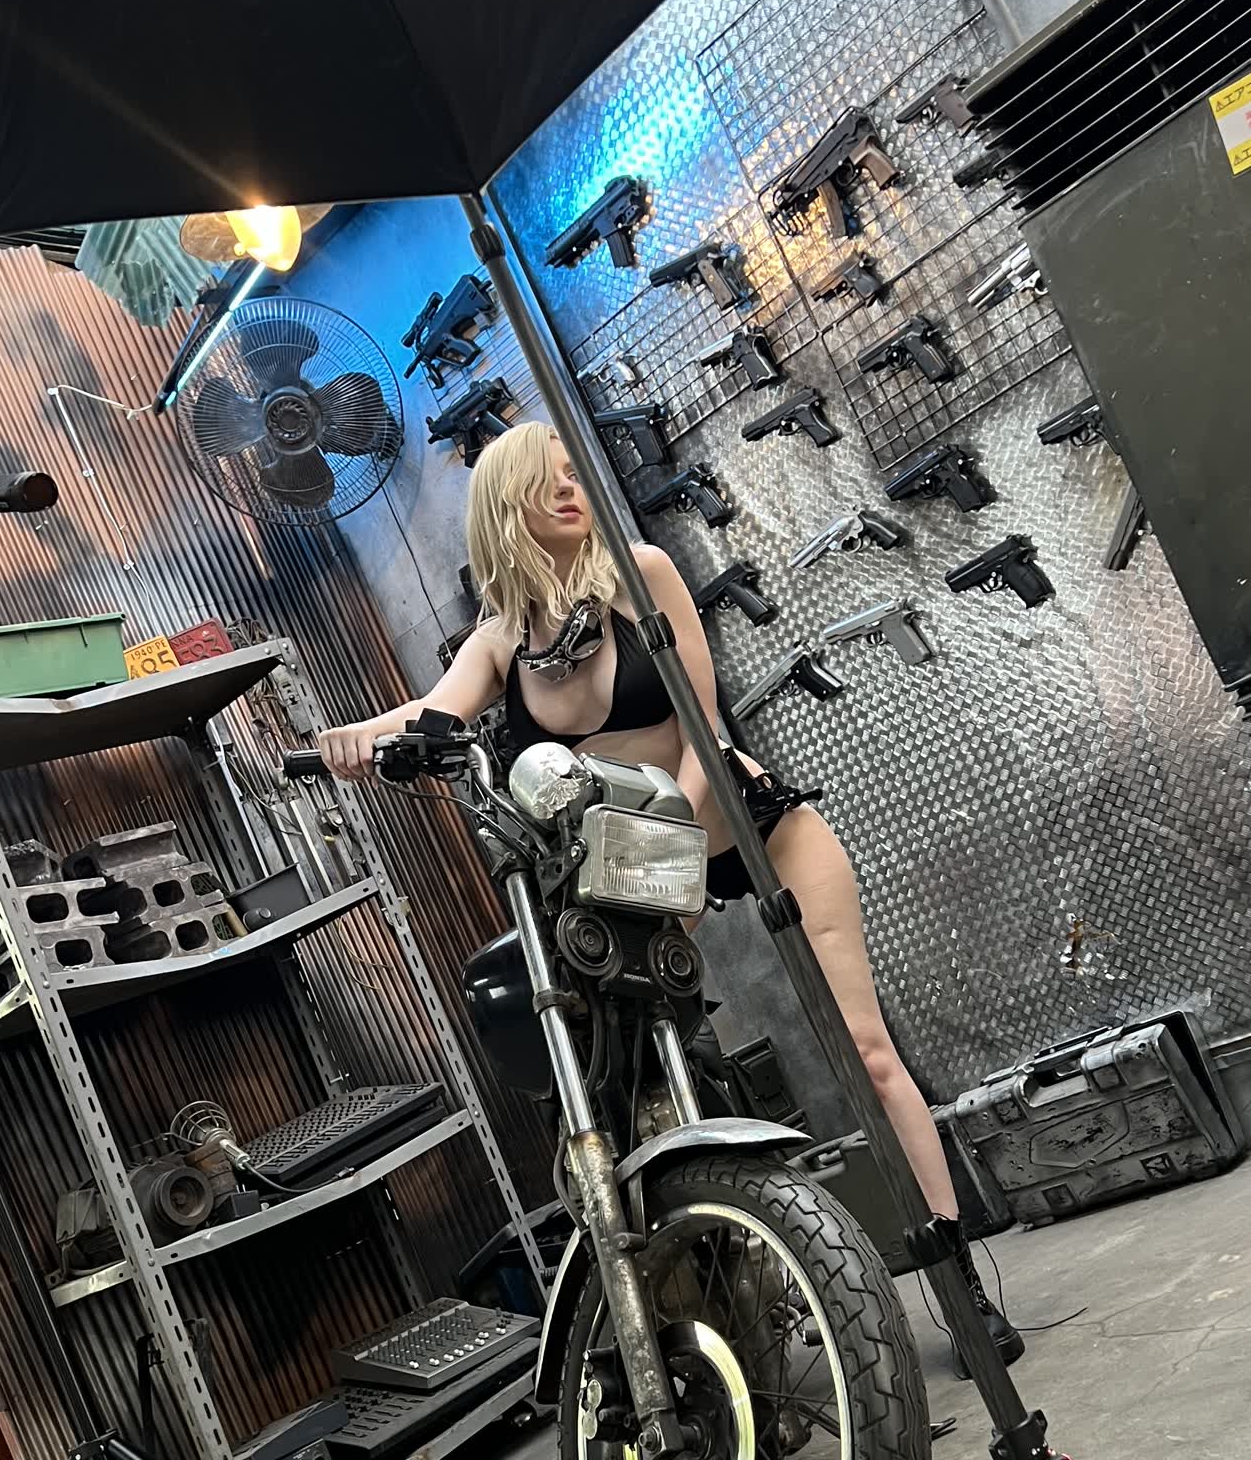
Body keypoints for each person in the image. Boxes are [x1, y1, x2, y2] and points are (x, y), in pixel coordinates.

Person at [318, 420, 960, 1221]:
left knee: (864, 1047)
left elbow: (702, 726)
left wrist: (675, 832)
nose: (570, 488)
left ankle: (950, 1240)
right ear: (506, 502)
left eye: (573, 473)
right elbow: (433, 712)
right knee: (630, 1070)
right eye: (547, 478)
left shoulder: (639, 573)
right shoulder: (499, 641)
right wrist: (356, 735)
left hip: (741, 824)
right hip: (639, 864)